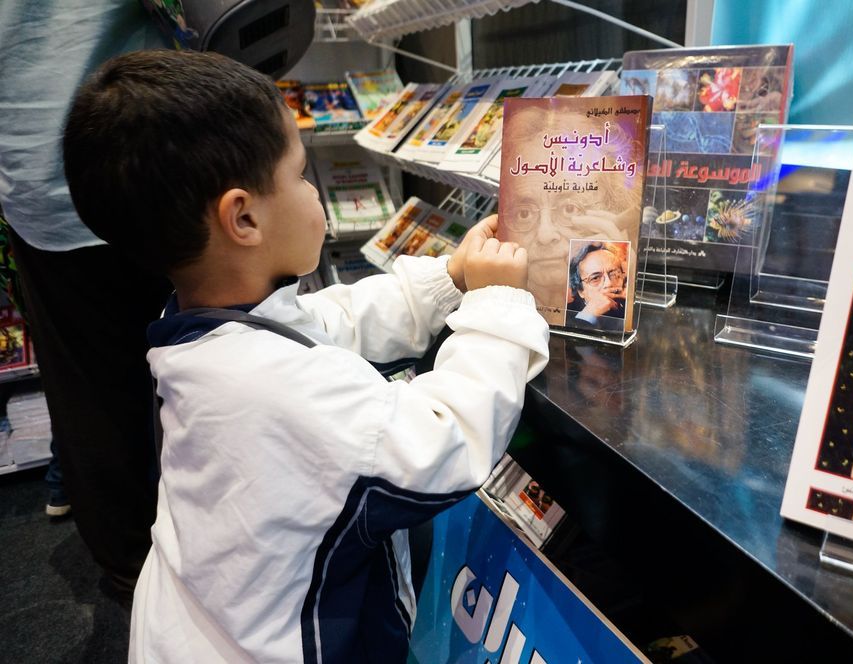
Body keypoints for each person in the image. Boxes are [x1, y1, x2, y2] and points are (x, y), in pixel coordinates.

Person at [62, 49, 549, 662]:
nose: (312, 190)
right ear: (243, 218)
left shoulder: (202, 326)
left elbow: (326, 323)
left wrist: (449, 278)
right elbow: (443, 441)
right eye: (299, 175)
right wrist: (498, 306)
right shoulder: (269, 388)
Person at [0, 1, 174, 600]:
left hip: (37, 168)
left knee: (90, 394)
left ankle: (131, 569)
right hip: (158, 150)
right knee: (212, 358)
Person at [497, 102, 643, 327]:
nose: (545, 235)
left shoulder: (616, 300)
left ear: (613, 207)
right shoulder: (495, 308)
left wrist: (624, 291)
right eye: (524, 213)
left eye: (570, 209)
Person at [566, 241, 628, 332]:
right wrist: (587, 315)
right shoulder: (566, 314)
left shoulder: (628, 308)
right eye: (595, 278)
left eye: (614, 274)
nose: (608, 284)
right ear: (580, 290)